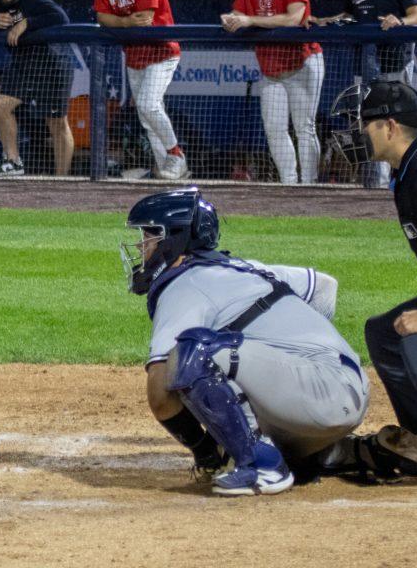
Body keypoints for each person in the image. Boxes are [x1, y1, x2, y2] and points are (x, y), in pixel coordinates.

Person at [124, 187, 366, 496]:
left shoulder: (184, 285)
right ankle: (325, 452)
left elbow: (159, 393)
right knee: (223, 359)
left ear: (173, 240)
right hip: (342, 389)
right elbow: (325, 289)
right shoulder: (243, 269)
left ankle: (262, 465)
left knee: (193, 354)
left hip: (322, 398)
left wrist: (206, 452)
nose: (141, 246)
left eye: (149, 236)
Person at [330, 80, 417, 489]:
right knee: (383, 333)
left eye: (364, 123)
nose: (356, 131)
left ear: (390, 127)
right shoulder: (408, 169)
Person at [220, 0, 322, 185]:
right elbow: (238, 12)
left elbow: (293, 18)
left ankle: (309, 184)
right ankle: (289, 182)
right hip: (271, 66)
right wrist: (230, 18)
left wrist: (249, 20)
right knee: (274, 128)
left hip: (302, 61)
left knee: (304, 128)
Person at [93, 0, 188, 180]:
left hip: (161, 51)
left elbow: (144, 19)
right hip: (134, 52)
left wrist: (119, 23)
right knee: (147, 117)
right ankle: (167, 171)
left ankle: (176, 155)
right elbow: (102, 17)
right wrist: (125, 21)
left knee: (148, 104)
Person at [0, 0, 73, 178]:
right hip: (24, 62)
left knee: (57, 123)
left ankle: (61, 181)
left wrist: (26, 23)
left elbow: (61, 17)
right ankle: (13, 162)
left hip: (53, 63)